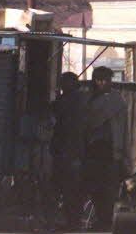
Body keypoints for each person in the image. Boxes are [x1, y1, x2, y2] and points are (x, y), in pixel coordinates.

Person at [81, 67, 127, 231]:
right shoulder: (89, 98)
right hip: (92, 151)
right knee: (94, 188)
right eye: (100, 79)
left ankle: (106, 220)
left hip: (110, 151)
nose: (103, 83)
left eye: (106, 79)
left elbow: (99, 119)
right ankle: (99, 219)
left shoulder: (115, 99)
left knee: (108, 189)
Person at [51, 72, 86, 228]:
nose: (63, 87)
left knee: (70, 188)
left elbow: (76, 130)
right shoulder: (71, 101)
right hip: (65, 151)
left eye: (65, 83)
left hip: (71, 152)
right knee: (67, 188)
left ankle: (71, 220)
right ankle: (70, 220)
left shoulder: (73, 102)